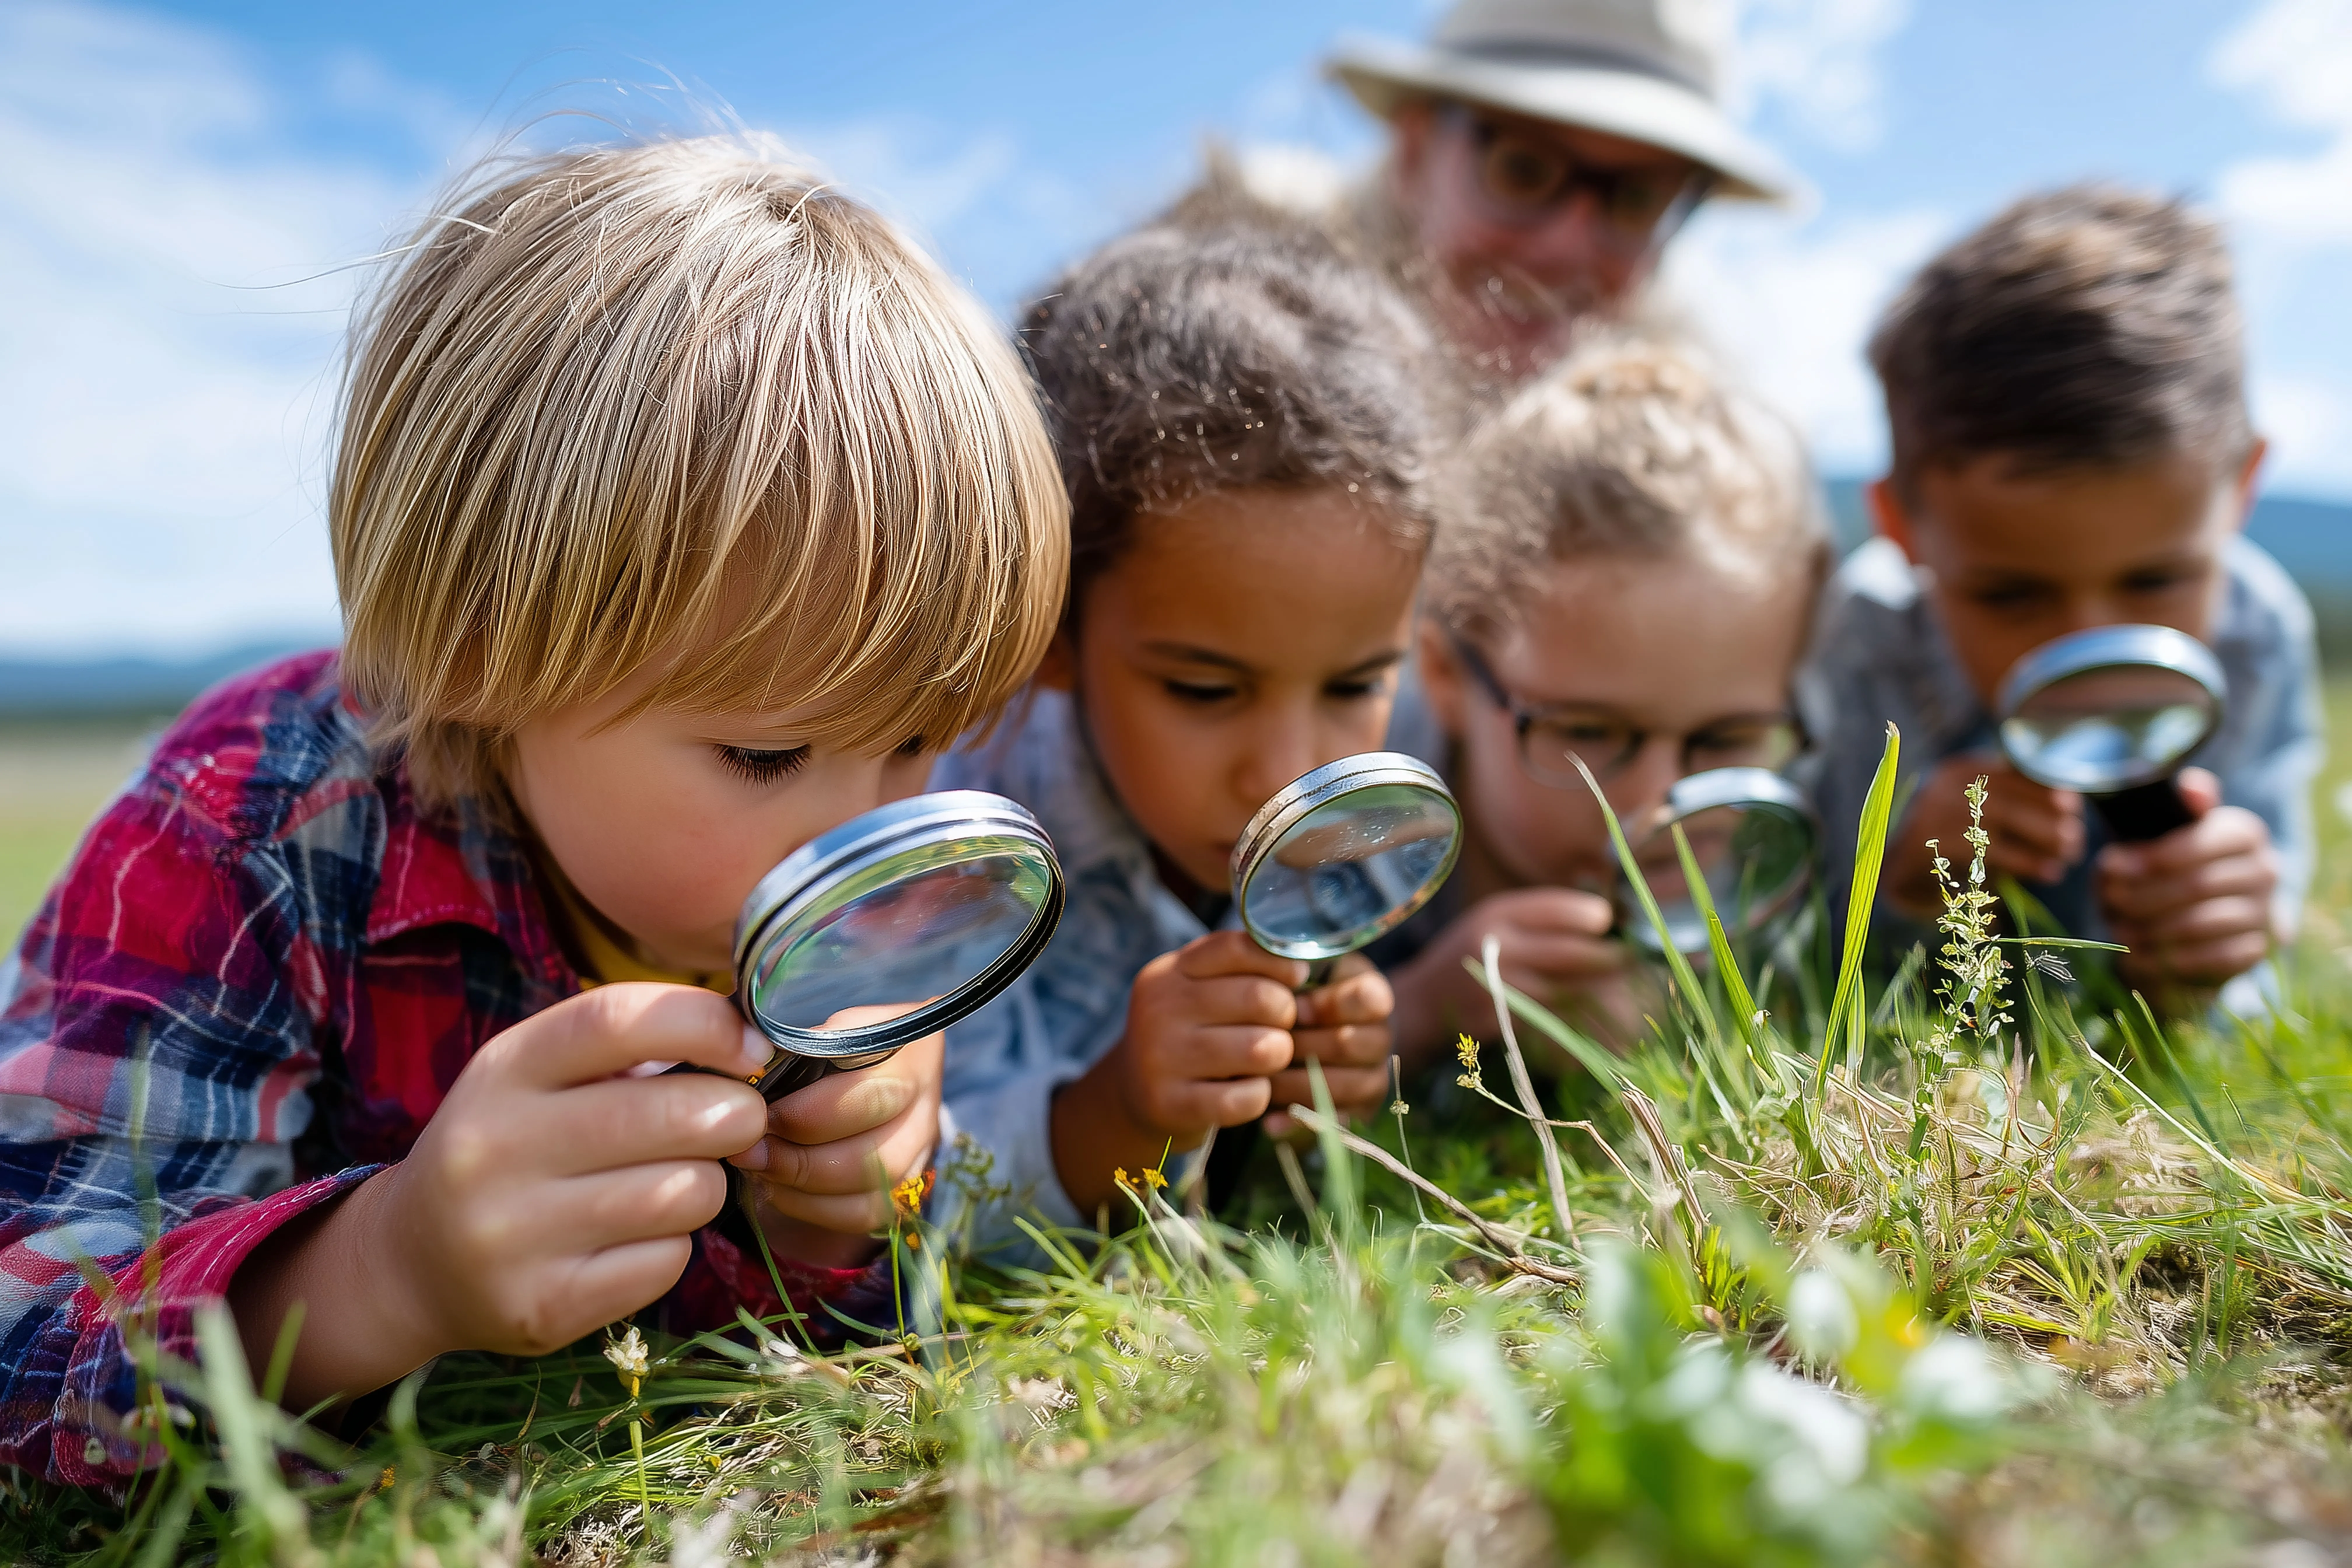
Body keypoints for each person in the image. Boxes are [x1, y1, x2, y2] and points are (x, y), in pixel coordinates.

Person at [0, 135, 1068, 1486]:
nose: (853, 844)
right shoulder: (244, 833)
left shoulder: (837, 887)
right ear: (473, 651)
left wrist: (843, 1219)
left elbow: (837, 1363)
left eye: (918, 743)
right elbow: (25, 1336)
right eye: (763, 754)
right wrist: (383, 1275)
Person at [932, 204, 1443, 1250]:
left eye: (1354, 684)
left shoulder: (1382, 810)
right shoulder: (963, 851)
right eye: (1206, 692)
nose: (1289, 771)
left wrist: (1331, 1084)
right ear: (1055, 628)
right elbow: (907, 1193)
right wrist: (1119, 1111)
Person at [1798, 185, 2321, 1009]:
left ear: (2242, 488)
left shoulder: (2255, 634)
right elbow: (1797, 970)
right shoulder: (1869, 638)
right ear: (1900, 528)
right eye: (2011, 596)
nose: (2087, 654)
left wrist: (2213, 957)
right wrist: (1899, 890)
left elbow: (2256, 966)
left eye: (2155, 581)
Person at [1382, 334, 1826, 1053]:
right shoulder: (1352, 840)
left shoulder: (1796, 852)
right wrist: (1415, 1013)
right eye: (1587, 733)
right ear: (1444, 674)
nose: (1656, 807)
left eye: (1724, 741)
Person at [1322, 0, 1800, 381]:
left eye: (1640, 201)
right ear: (1414, 153)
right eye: (1524, 170)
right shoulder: (1257, 381)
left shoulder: (1715, 464)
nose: (1568, 246)